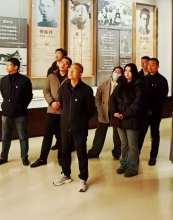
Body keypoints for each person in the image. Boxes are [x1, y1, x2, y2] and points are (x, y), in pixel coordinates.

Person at [53, 63, 96, 192]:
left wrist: (81, 120)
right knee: (65, 151)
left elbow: (91, 110)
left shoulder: (86, 90)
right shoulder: (64, 88)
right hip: (65, 125)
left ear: (80, 73)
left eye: (74, 70)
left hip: (80, 126)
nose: (70, 71)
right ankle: (65, 174)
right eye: (70, 69)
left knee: (81, 152)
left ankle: (83, 178)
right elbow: (62, 105)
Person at [31, 57, 71, 168]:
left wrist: (62, 103)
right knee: (47, 135)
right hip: (52, 110)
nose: (63, 65)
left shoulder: (70, 77)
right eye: (62, 62)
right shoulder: (51, 76)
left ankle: (61, 158)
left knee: (62, 136)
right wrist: (51, 102)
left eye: (66, 63)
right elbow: (46, 90)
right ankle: (42, 158)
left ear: (69, 66)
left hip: (64, 111)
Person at [0, 58, 33, 166]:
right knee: (5, 136)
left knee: (23, 136)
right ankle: (3, 157)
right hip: (6, 112)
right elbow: (3, 94)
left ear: (16, 67)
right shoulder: (3, 80)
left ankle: (24, 157)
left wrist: (21, 106)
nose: (6, 67)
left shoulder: (24, 80)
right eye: (6, 65)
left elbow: (28, 96)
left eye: (9, 65)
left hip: (20, 113)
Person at [110, 63, 145, 177]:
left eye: (129, 71)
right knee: (124, 144)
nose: (127, 73)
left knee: (132, 146)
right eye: (125, 71)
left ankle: (132, 167)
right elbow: (112, 99)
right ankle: (123, 164)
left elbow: (138, 103)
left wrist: (125, 114)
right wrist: (115, 112)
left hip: (132, 120)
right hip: (119, 119)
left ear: (134, 72)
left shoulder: (138, 85)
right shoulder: (121, 84)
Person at [138, 57, 168, 166]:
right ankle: (136, 153)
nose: (150, 67)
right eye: (149, 64)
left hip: (155, 113)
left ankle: (153, 156)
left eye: (153, 65)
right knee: (141, 133)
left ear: (158, 66)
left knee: (154, 134)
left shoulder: (162, 80)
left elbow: (162, 99)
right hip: (144, 113)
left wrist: (153, 110)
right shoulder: (144, 79)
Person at [88, 67, 122, 159]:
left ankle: (117, 152)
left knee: (117, 134)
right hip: (104, 111)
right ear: (112, 72)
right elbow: (97, 97)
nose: (117, 74)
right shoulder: (104, 84)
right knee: (100, 133)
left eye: (119, 72)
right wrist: (99, 108)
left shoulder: (122, 85)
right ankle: (94, 152)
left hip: (116, 112)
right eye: (115, 71)